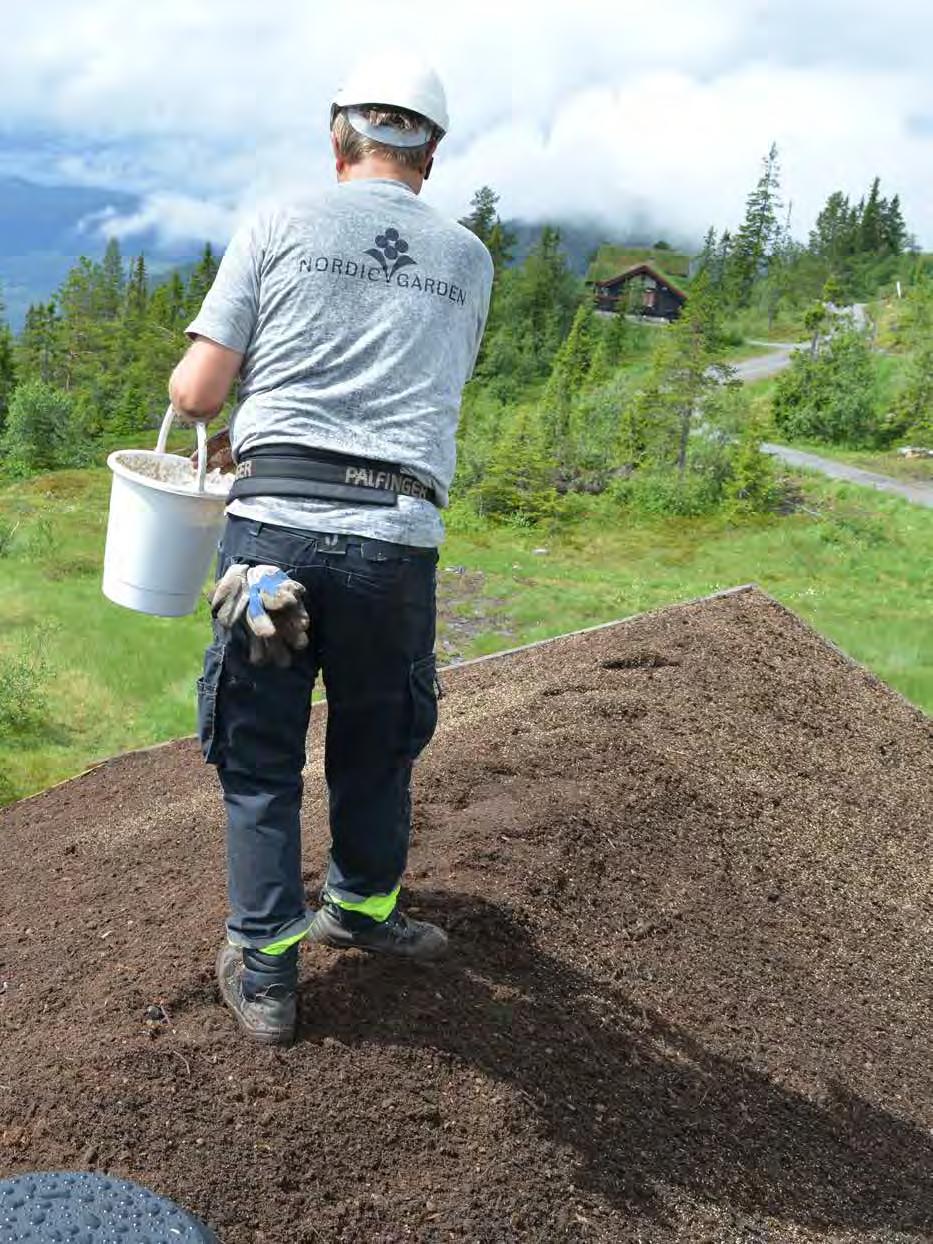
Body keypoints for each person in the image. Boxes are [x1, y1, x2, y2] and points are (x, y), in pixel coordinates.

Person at [168, 54, 494, 1045]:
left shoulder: (278, 220)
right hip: (394, 542)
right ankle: (361, 905)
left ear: (338, 135)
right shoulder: (470, 259)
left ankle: (266, 970)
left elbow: (196, 393)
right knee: (378, 733)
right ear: (429, 153)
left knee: (261, 747)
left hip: (269, 533)